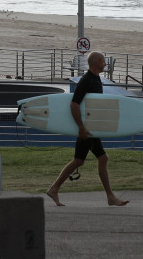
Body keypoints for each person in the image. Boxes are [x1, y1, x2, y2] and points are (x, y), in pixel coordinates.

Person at [46, 51, 129, 207]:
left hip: (91, 127)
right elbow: (74, 103)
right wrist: (81, 127)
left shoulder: (96, 79)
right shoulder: (87, 80)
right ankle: (110, 196)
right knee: (94, 159)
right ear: (96, 62)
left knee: (82, 160)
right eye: (103, 60)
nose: (105, 63)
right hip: (87, 129)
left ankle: (54, 189)